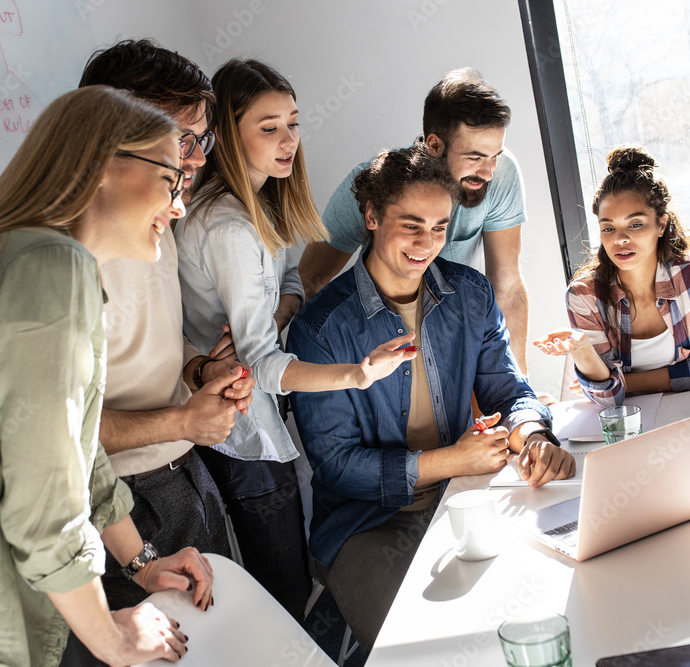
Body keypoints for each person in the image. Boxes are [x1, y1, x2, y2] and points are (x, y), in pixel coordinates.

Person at [0, 86, 213, 667]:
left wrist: (140, 562)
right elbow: (46, 507)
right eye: (171, 179)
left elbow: (75, 451)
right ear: (104, 164)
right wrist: (115, 640)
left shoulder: (31, 259)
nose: (179, 204)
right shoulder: (52, 266)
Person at [287, 145, 575, 655]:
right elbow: (335, 467)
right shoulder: (321, 328)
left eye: (440, 226)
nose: (427, 243)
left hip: (462, 496)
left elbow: (508, 388)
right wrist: (448, 460)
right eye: (411, 224)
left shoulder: (470, 294)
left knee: (540, 610)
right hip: (365, 525)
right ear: (372, 217)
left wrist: (532, 433)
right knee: (420, 651)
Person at [175, 58, 415, 620]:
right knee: (281, 587)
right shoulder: (228, 227)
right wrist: (355, 375)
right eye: (269, 128)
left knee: (290, 572)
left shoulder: (261, 205)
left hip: (257, 413)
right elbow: (258, 362)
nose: (290, 140)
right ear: (228, 136)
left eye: (293, 122)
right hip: (239, 427)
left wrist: (281, 307)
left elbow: (291, 282)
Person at [78, 39, 250, 613]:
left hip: (185, 473)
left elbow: (150, 335)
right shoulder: (64, 262)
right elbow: (61, 437)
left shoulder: (155, 217)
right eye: (182, 140)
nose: (197, 160)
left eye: (204, 139)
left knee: (227, 637)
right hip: (125, 500)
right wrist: (183, 418)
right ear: (114, 134)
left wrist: (201, 367)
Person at [299, 67, 535, 377]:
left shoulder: (500, 173)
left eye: (495, 156)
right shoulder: (373, 184)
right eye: (475, 157)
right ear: (434, 145)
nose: (489, 172)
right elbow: (311, 279)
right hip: (382, 338)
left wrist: (521, 388)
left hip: (456, 329)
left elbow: (506, 286)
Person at [534, 146, 690, 409]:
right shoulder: (584, 295)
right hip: (626, 420)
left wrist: (624, 383)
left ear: (661, 224)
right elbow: (607, 398)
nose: (620, 239)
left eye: (635, 224)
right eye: (608, 228)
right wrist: (582, 350)